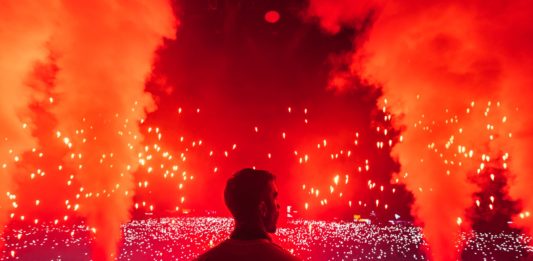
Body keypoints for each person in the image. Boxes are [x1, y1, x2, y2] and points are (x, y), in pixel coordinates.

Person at [195, 168, 300, 261]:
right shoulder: (285, 259)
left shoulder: (206, 259)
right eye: (274, 197)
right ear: (262, 208)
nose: (278, 205)